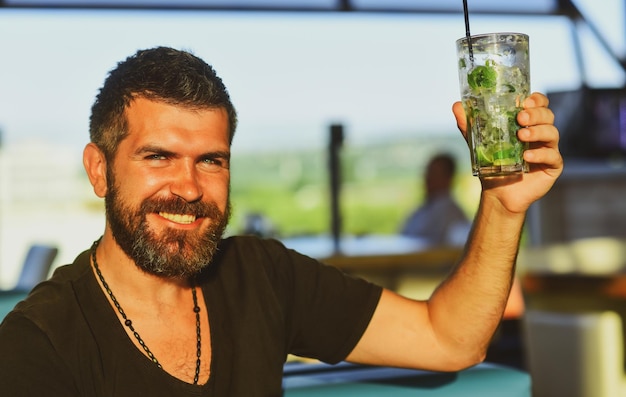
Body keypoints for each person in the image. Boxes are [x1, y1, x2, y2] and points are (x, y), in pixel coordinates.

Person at [0, 46, 563, 396]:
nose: (190, 187)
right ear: (99, 171)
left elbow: (449, 340)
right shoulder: (38, 343)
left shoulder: (260, 274)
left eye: (211, 161)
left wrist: (504, 204)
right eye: (158, 157)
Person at [400, 152, 471, 245]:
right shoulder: (425, 207)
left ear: (449, 178)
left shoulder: (450, 213)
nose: (427, 178)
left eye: (433, 173)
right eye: (427, 172)